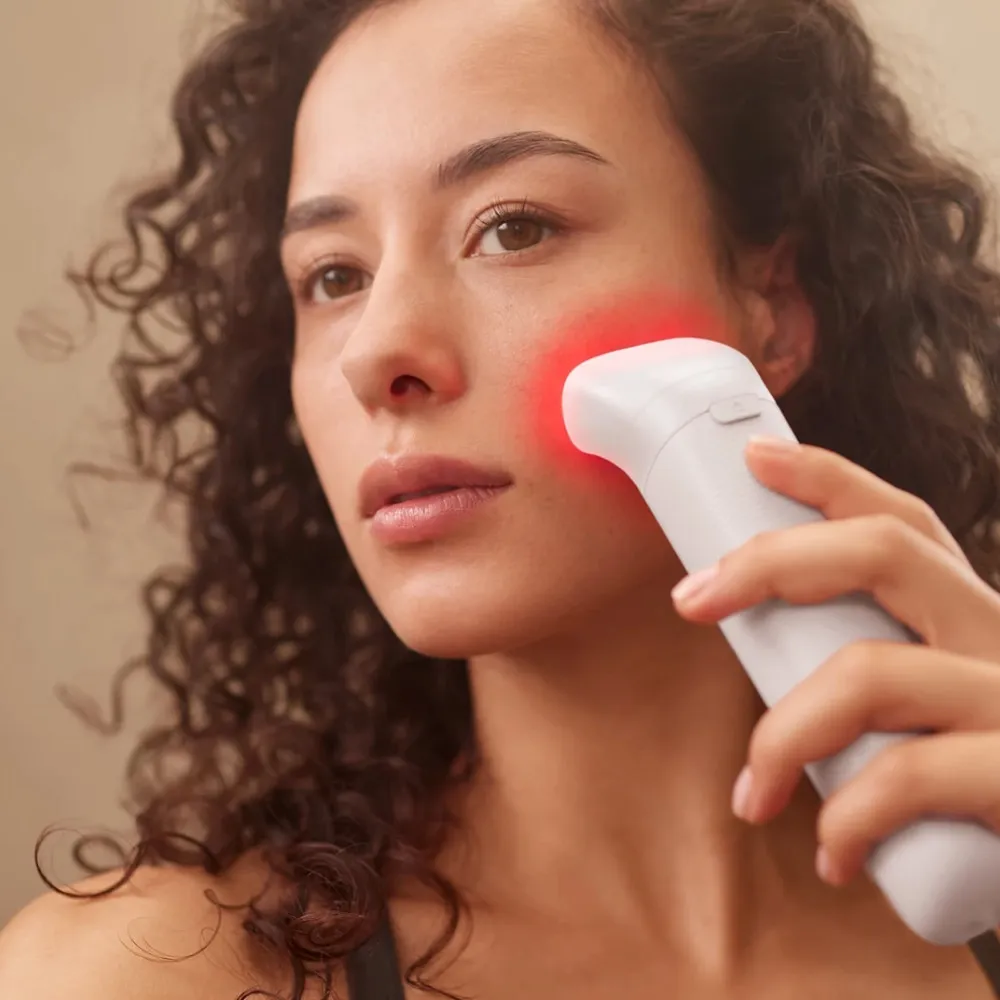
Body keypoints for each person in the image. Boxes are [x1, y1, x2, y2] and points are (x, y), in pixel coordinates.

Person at [5, 0, 1000, 996]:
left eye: (513, 228)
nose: (375, 354)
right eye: (334, 276)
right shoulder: (155, 972)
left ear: (772, 308)